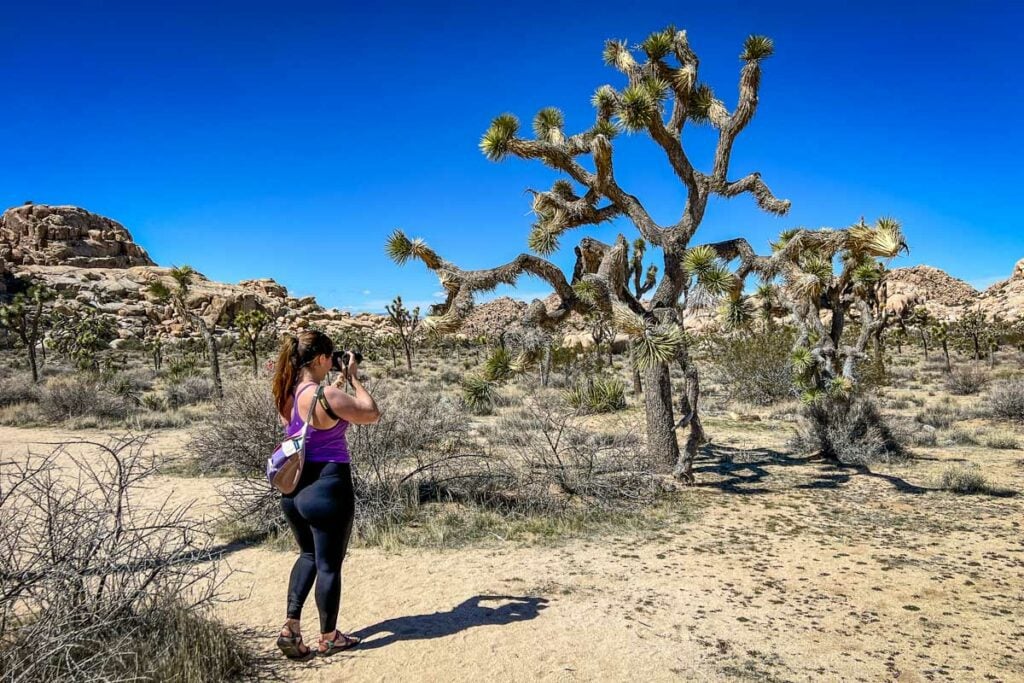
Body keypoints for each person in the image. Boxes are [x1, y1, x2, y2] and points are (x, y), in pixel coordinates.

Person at [270, 330, 380, 659]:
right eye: (329, 357)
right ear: (320, 360)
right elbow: (370, 413)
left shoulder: (286, 392)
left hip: (294, 489)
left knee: (307, 556)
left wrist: (340, 379)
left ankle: (291, 626)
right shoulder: (325, 396)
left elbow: (322, 407)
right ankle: (330, 637)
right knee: (329, 565)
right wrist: (355, 379)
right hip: (329, 484)